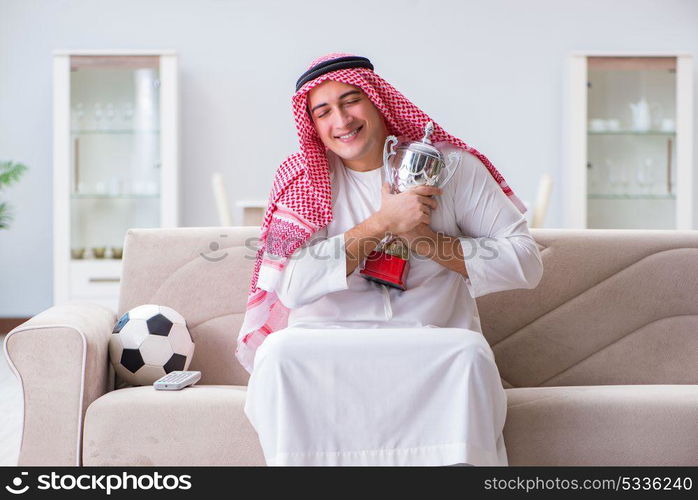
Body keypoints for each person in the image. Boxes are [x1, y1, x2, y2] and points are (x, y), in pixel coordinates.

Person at [236, 53, 543, 466]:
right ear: (312, 125)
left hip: (428, 339)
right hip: (328, 345)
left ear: (380, 102)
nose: (341, 120)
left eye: (350, 101)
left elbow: (526, 262)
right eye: (323, 111)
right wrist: (381, 223)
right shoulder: (302, 180)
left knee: (468, 354)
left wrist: (426, 240)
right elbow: (290, 286)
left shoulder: (451, 168)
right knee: (279, 354)